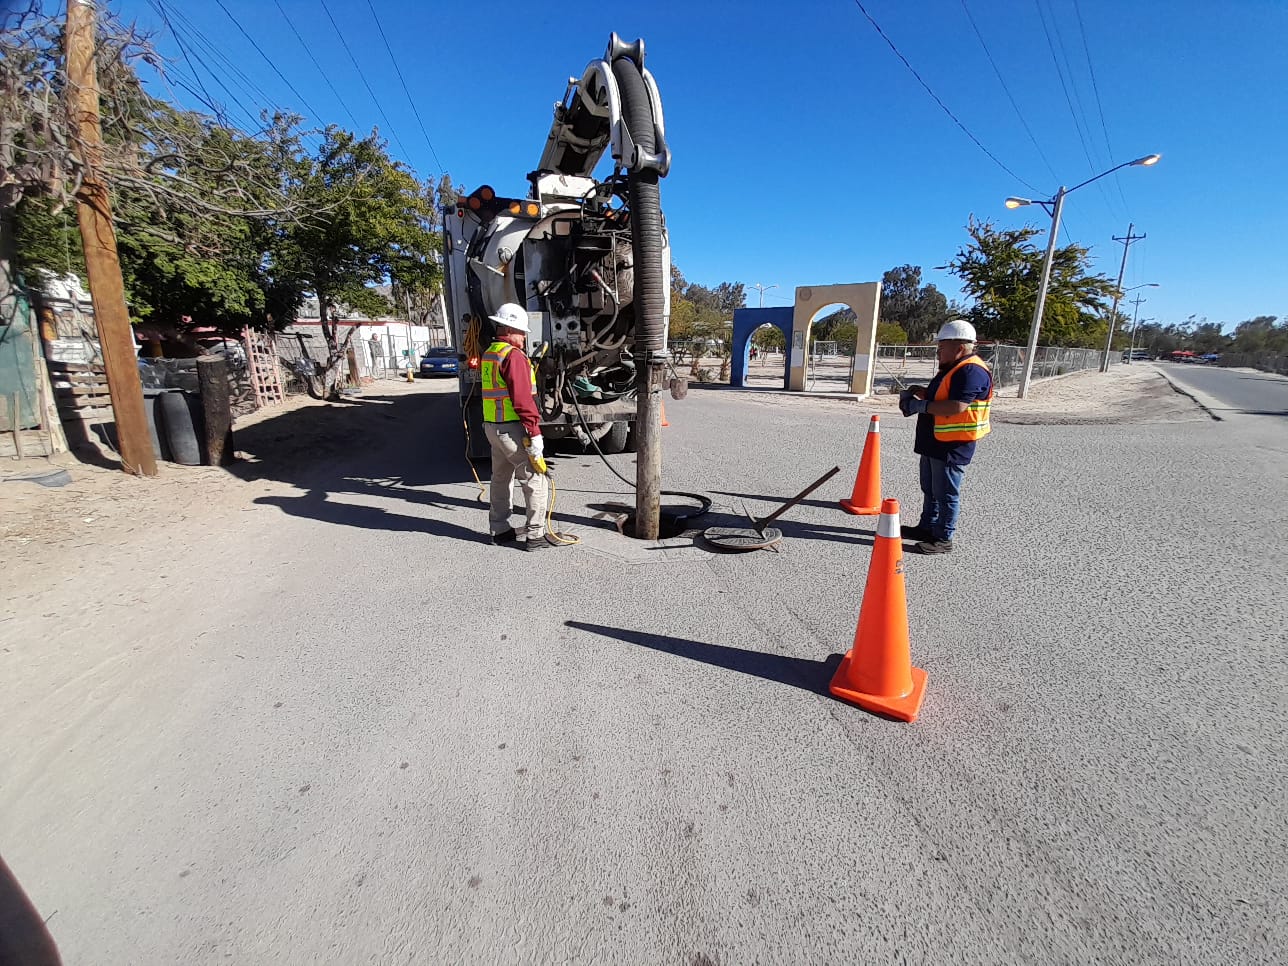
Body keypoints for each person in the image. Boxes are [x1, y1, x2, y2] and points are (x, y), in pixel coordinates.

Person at [898, 319, 993, 555]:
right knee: (930, 489)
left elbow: (956, 406)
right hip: (935, 441)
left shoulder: (971, 370)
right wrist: (922, 392)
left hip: (952, 445)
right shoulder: (953, 367)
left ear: (959, 347)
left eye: (942, 347)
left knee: (946, 493)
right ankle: (927, 527)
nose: (938, 351)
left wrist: (920, 406)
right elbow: (943, 395)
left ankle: (943, 537)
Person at [481, 303, 559, 551]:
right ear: (506, 329)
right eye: (520, 331)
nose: (524, 336)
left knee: (501, 478)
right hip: (512, 429)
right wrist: (535, 433)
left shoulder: (490, 353)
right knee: (535, 478)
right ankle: (535, 535)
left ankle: (499, 529)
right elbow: (523, 399)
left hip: (493, 427)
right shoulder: (513, 356)